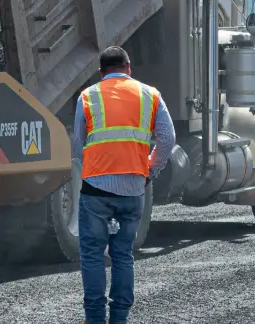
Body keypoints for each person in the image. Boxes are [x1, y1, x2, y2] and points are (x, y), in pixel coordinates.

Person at [71, 46, 175, 324]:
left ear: (101, 71)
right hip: (133, 188)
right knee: (123, 253)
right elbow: (167, 139)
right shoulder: (150, 95)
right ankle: (119, 318)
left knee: (92, 254)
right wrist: (151, 169)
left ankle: (94, 319)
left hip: (96, 189)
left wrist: (95, 164)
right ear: (129, 67)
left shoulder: (88, 96)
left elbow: (77, 144)